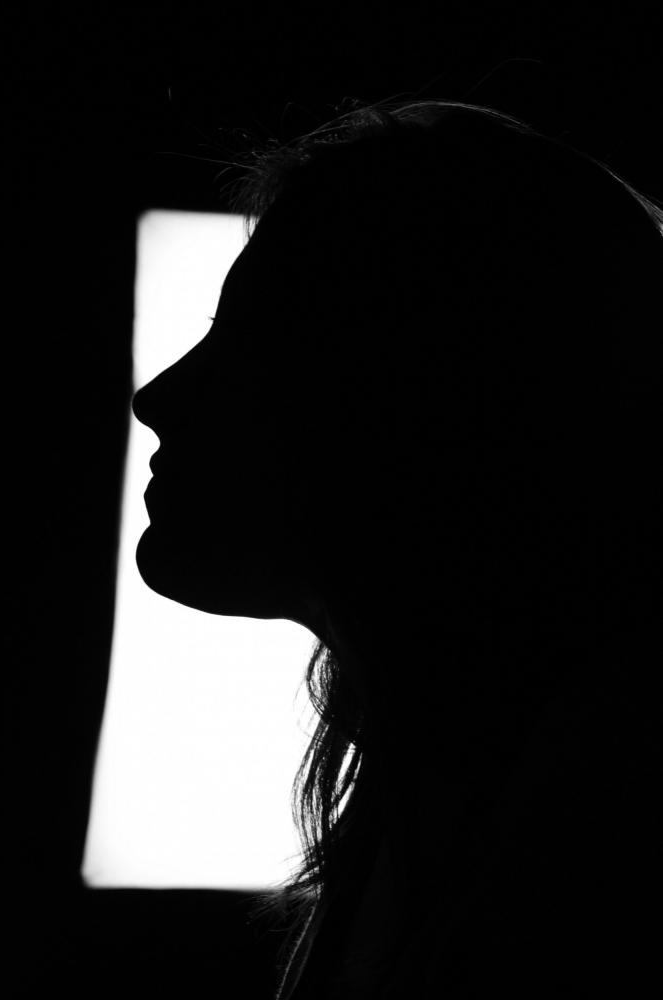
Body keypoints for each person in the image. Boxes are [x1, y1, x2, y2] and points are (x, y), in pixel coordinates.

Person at [131, 98, 663, 997]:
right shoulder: (484, 812)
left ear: (421, 394)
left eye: (249, 342)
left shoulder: (600, 846)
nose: (159, 396)